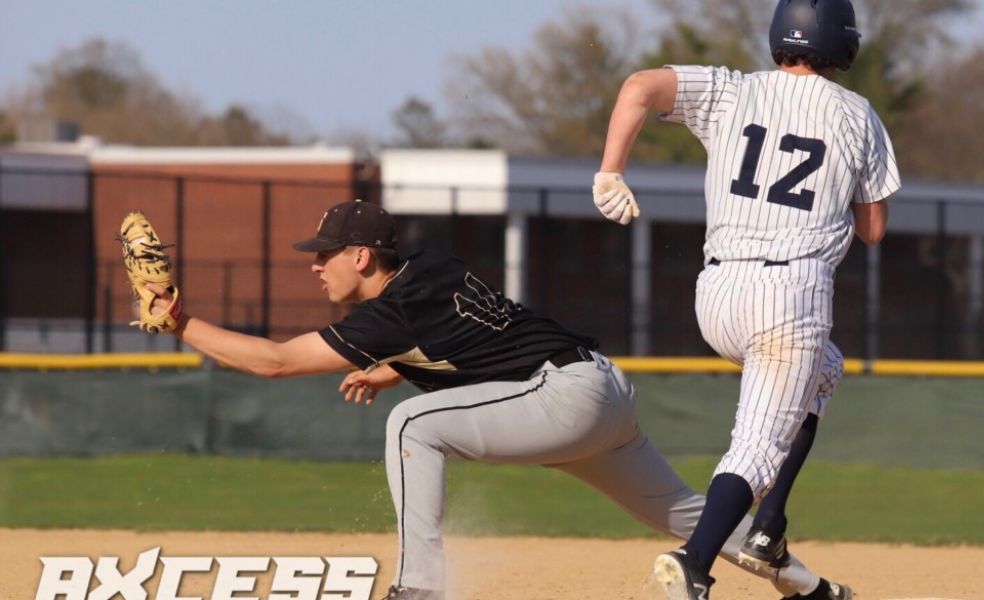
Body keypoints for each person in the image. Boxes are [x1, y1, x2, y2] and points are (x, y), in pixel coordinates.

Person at [139, 199, 855, 600]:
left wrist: (180, 322)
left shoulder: (392, 311)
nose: (317, 264)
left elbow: (273, 363)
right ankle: (814, 591)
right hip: (599, 390)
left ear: (363, 258)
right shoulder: (427, 268)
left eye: (324, 252)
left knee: (412, 425)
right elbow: (474, 336)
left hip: (565, 399)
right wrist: (395, 364)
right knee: (692, 518)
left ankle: (417, 591)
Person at [592, 0, 899, 598]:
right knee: (757, 447)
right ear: (844, 43)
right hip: (790, 296)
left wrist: (610, 171)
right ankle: (694, 563)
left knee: (824, 371)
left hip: (719, 294)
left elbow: (638, 86)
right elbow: (874, 229)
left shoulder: (731, 91)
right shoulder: (857, 115)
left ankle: (768, 529)